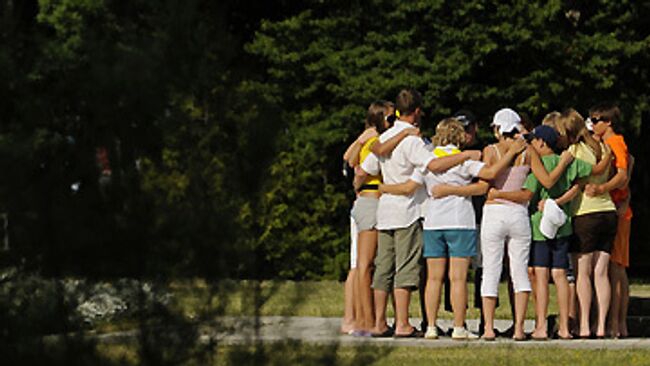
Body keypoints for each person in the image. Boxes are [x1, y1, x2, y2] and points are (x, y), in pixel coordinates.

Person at [380, 117, 525, 340]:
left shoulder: (427, 160)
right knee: (457, 278)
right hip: (460, 221)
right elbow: (490, 174)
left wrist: (383, 187)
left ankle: (430, 326)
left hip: (433, 222)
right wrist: (511, 153)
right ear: (459, 136)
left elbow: (411, 185)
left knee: (434, 279)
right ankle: (458, 326)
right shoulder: (463, 160)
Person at [359, 88, 480, 337]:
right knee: (404, 269)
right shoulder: (412, 140)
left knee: (383, 269)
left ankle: (379, 322)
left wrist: (382, 186)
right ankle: (403, 323)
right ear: (416, 112)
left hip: (385, 212)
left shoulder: (386, 136)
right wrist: (465, 155)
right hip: (407, 211)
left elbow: (365, 168)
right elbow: (433, 165)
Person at [493, 125, 593, 339]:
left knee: (541, 275)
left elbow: (528, 192)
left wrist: (497, 194)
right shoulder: (568, 162)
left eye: (533, 141)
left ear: (541, 143)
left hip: (539, 228)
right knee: (560, 275)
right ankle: (565, 327)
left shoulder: (538, 165)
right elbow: (589, 172)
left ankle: (541, 326)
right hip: (563, 227)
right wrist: (571, 191)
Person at [343, 101, 417, 336]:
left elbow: (349, 166)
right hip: (373, 201)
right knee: (368, 265)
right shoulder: (377, 141)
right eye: (391, 117)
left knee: (362, 265)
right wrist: (405, 132)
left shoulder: (372, 139)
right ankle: (367, 320)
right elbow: (358, 167)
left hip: (365, 201)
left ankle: (358, 319)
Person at [559, 109, 617, 339]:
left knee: (583, 273)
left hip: (585, 214)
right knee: (601, 273)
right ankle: (601, 325)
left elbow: (574, 182)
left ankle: (584, 324)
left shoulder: (574, 151)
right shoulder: (603, 148)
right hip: (608, 211)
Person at [587, 103, 633, 338]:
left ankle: (616, 323)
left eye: (596, 120)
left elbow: (623, 175)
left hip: (617, 210)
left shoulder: (615, 142)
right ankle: (615, 323)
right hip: (615, 208)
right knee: (614, 267)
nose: (592, 124)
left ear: (608, 123)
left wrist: (602, 188)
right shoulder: (611, 143)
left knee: (616, 268)